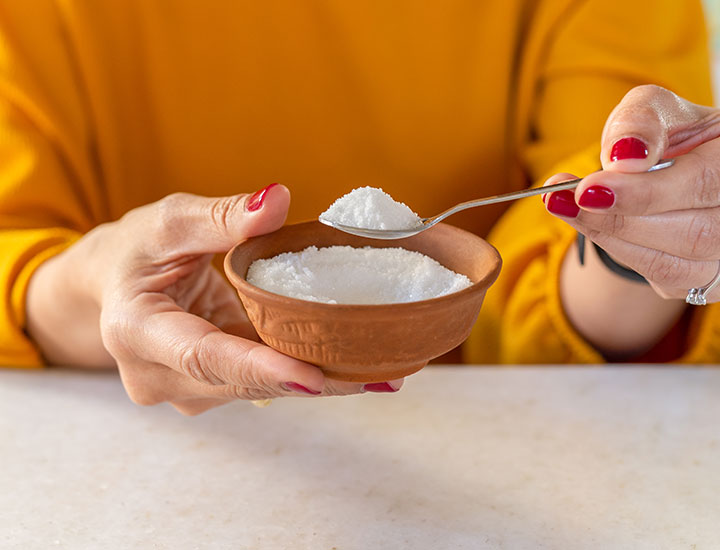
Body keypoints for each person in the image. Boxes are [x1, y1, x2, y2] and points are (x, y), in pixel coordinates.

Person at [0, 1, 716, 414]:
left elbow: (588, 232)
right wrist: (81, 289)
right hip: (125, 446)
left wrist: (636, 237)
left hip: (503, 438)